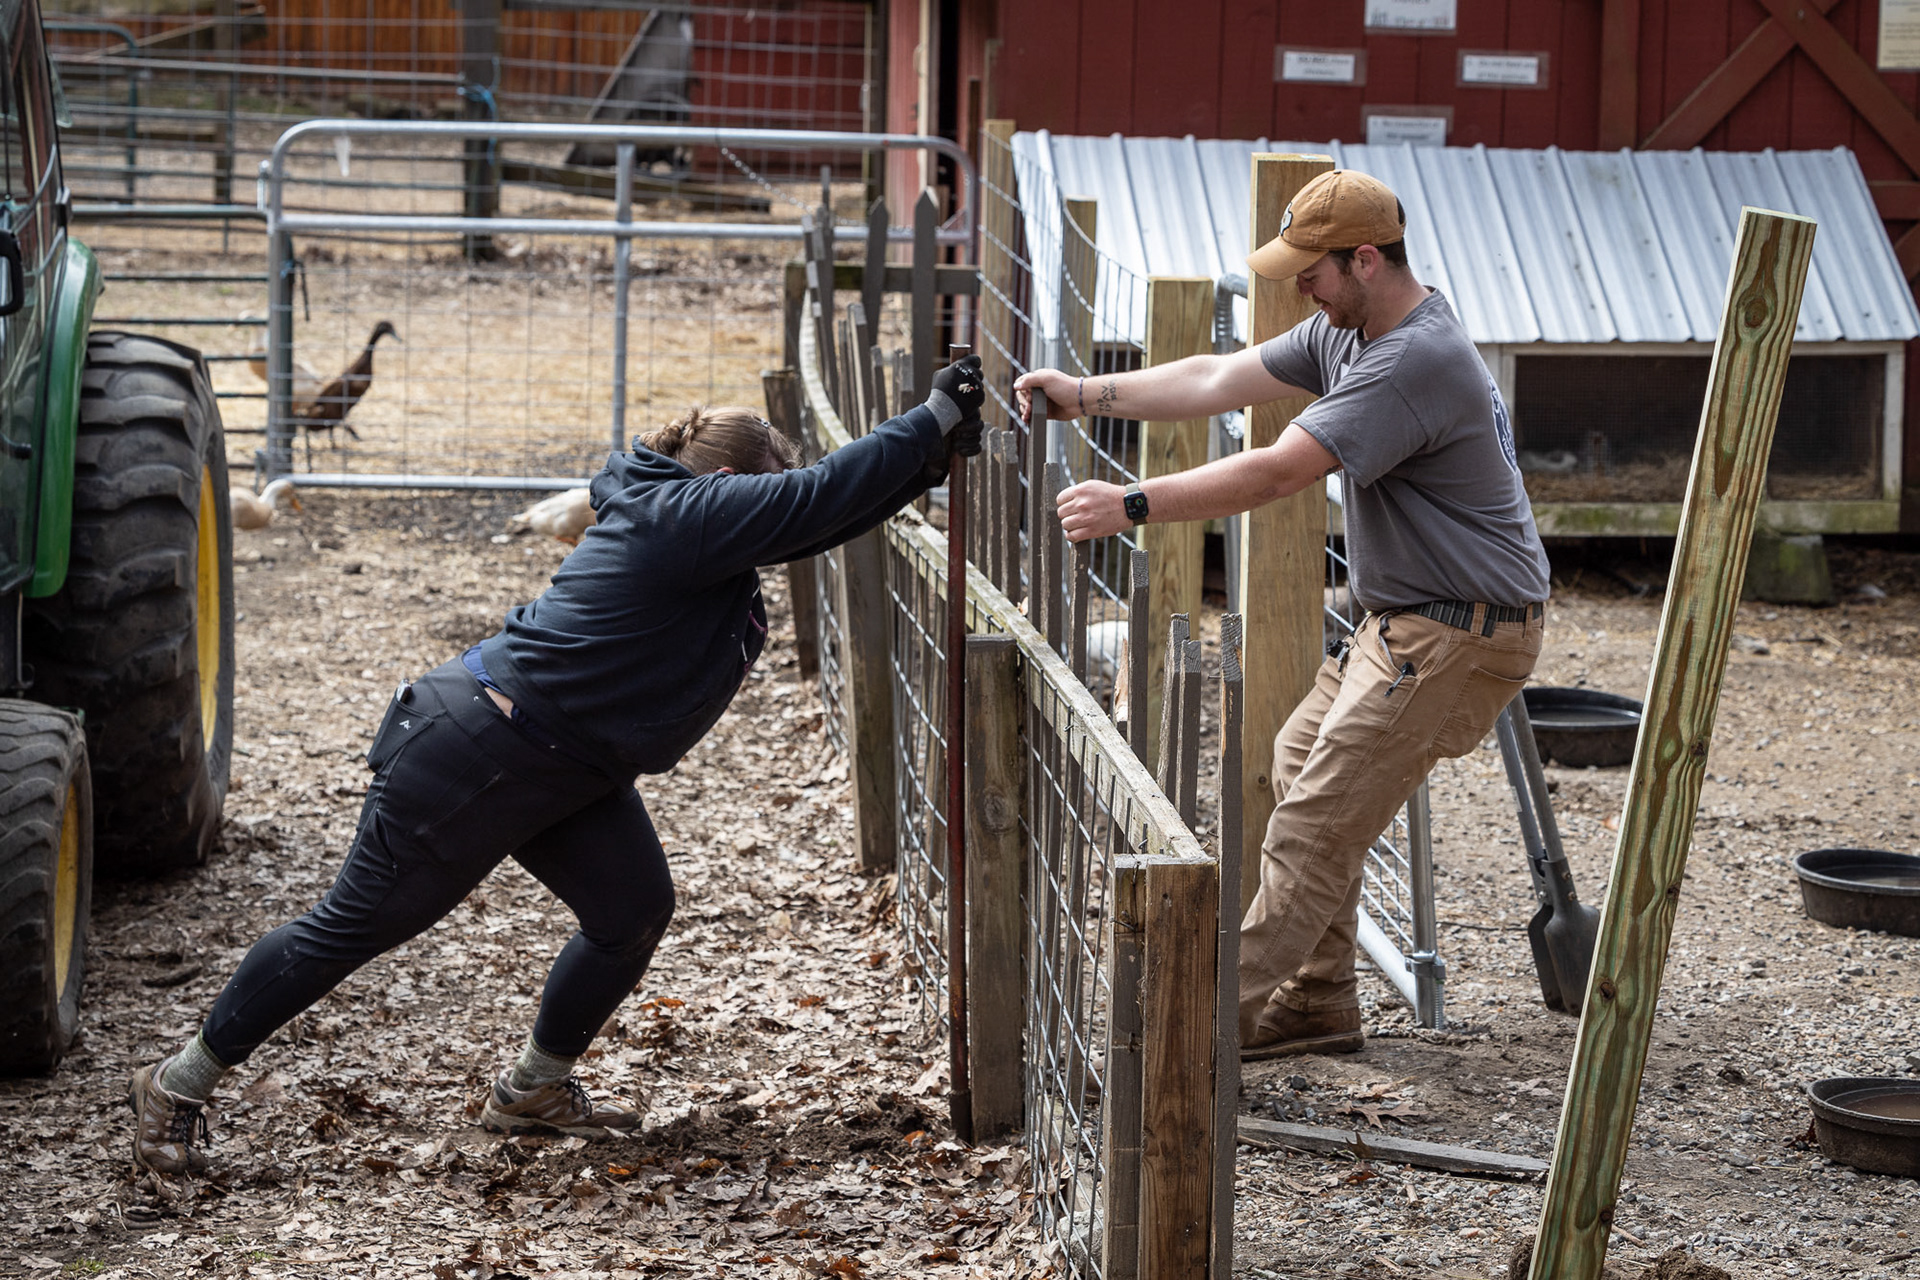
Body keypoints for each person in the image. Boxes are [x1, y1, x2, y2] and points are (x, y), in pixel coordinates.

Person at [128, 359, 986, 1175]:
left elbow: (817, 518)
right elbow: (814, 499)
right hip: (477, 747)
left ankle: (531, 1090)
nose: (773, 510)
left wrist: (925, 463)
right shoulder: (684, 518)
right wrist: (931, 417)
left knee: (631, 910)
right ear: (729, 485)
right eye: (765, 492)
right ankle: (176, 1083)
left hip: (560, 757)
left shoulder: (689, 518)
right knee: (352, 928)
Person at [1015, 169, 1550, 1061]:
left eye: (1313, 270)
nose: (1301, 286)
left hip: (1460, 631)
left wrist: (1132, 503)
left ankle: (1190, 1039)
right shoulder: (1350, 328)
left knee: (1311, 828)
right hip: (1406, 621)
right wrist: (1085, 392)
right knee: (1297, 764)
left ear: (1366, 260)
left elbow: (1274, 473)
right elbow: (1217, 376)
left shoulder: (1409, 362)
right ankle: (1318, 1000)